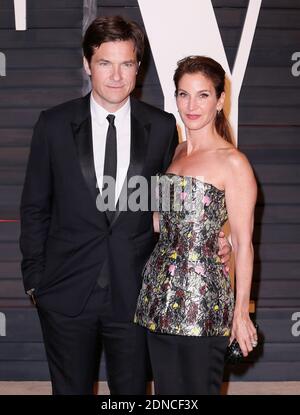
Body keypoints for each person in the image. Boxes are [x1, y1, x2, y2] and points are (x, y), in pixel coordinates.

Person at [20, 16, 231, 395]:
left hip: (135, 292)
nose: (116, 76)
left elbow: (173, 205)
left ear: (139, 68)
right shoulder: (53, 124)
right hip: (65, 292)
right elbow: (35, 207)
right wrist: (37, 282)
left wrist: (214, 237)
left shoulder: (163, 127)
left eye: (127, 64)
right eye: (105, 63)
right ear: (87, 65)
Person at [135, 56, 258, 395]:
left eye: (203, 95)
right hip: (157, 302)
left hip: (204, 307)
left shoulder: (233, 162)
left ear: (220, 101)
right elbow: (166, 222)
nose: (191, 105)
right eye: (183, 94)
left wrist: (241, 312)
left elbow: (244, 244)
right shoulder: (176, 152)